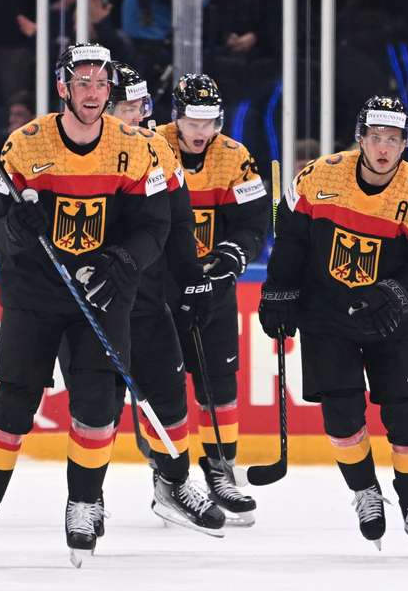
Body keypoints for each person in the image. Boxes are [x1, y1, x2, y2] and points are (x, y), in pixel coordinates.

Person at [0, 42, 170, 567]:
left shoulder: (136, 147)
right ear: (63, 88)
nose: (93, 93)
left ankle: (84, 501)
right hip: (35, 294)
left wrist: (122, 259)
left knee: (96, 407)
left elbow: (154, 226)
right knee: (12, 403)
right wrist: (18, 230)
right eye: (83, 83)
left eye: (101, 83)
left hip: (101, 293)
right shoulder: (24, 146)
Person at [259, 96, 408, 557]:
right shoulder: (319, 176)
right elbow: (289, 238)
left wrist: (397, 294)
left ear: (405, 143)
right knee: (342, 412)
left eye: (393, 139)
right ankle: (366, 492)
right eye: (375, 137)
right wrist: (277, 292)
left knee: (406, 413)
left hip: (392, 320)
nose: (383, 148)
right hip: (326, 318)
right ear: (360, 138)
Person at [103, 61, 224, 534]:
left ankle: (173, 483)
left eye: (143, 106)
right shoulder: (80, 153)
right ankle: (87, 497)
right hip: (99, 300)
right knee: (99, 406)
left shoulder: (157, 150)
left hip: (149, 299)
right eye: (128, 107)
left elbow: (177, 224)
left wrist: (191, 279)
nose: (139, 116)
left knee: (171, 398)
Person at [155, 74, 268, 525]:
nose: (201, 131)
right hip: (160, 289)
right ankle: (166, 475)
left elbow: (256, 220)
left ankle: (220, 469)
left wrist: (231, 256)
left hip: (214, 287)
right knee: (164, 386)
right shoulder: (150, 146)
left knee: (218, 381)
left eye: (209, 121)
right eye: (192, 120)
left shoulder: (235, 157)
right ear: (175, 117)